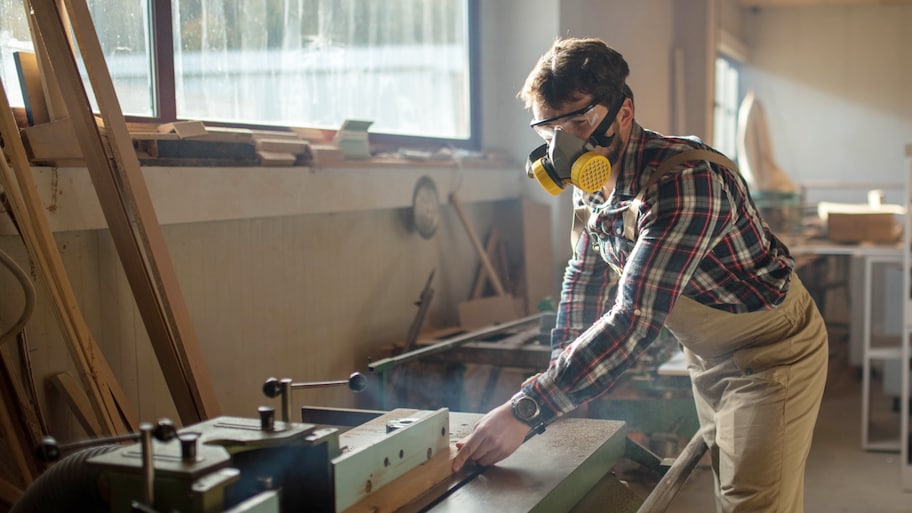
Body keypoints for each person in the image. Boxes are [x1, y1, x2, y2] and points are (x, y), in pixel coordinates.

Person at [451, 37, 828, 513]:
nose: (564, 145)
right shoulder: (592, 182)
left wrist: (527, 408)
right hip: (708, 354)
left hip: (774, 354)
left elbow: (633, 318)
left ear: (623, 113)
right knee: (726, 482)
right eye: (550, 130)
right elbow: (583, 279)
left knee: (752, 501)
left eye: (580, 123)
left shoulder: (685, 184)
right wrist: (557, 390)